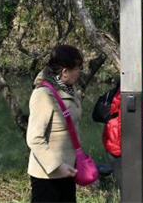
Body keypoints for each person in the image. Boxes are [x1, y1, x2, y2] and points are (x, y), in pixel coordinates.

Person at [102, 38, 143, 202]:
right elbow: (122, 115)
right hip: (123, 147)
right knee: (133, 193)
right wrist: (129, 147)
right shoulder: (138, 82)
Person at [26, 44, 84, 203]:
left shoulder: (70, 90)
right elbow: (34, 138)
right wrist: (57, 166)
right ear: (65, 71)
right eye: (78, 68)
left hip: (68, 170)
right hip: (48, 175)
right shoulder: (43, 94)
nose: (80, 72)